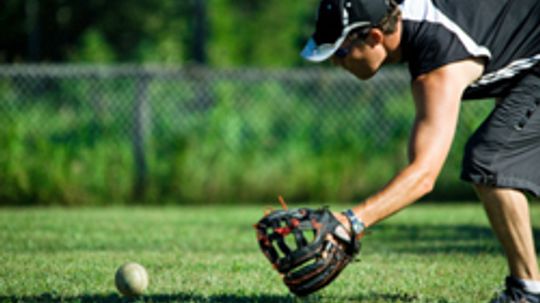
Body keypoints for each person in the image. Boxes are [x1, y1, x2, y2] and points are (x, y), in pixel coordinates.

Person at [300, 0, 540, 302]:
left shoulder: (439, 59)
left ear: (375, 37)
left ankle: (528, 292)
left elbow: (424, 175)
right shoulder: (408, 17)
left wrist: (349, 223)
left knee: (492, 161)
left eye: (341, 51)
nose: (336, 62)